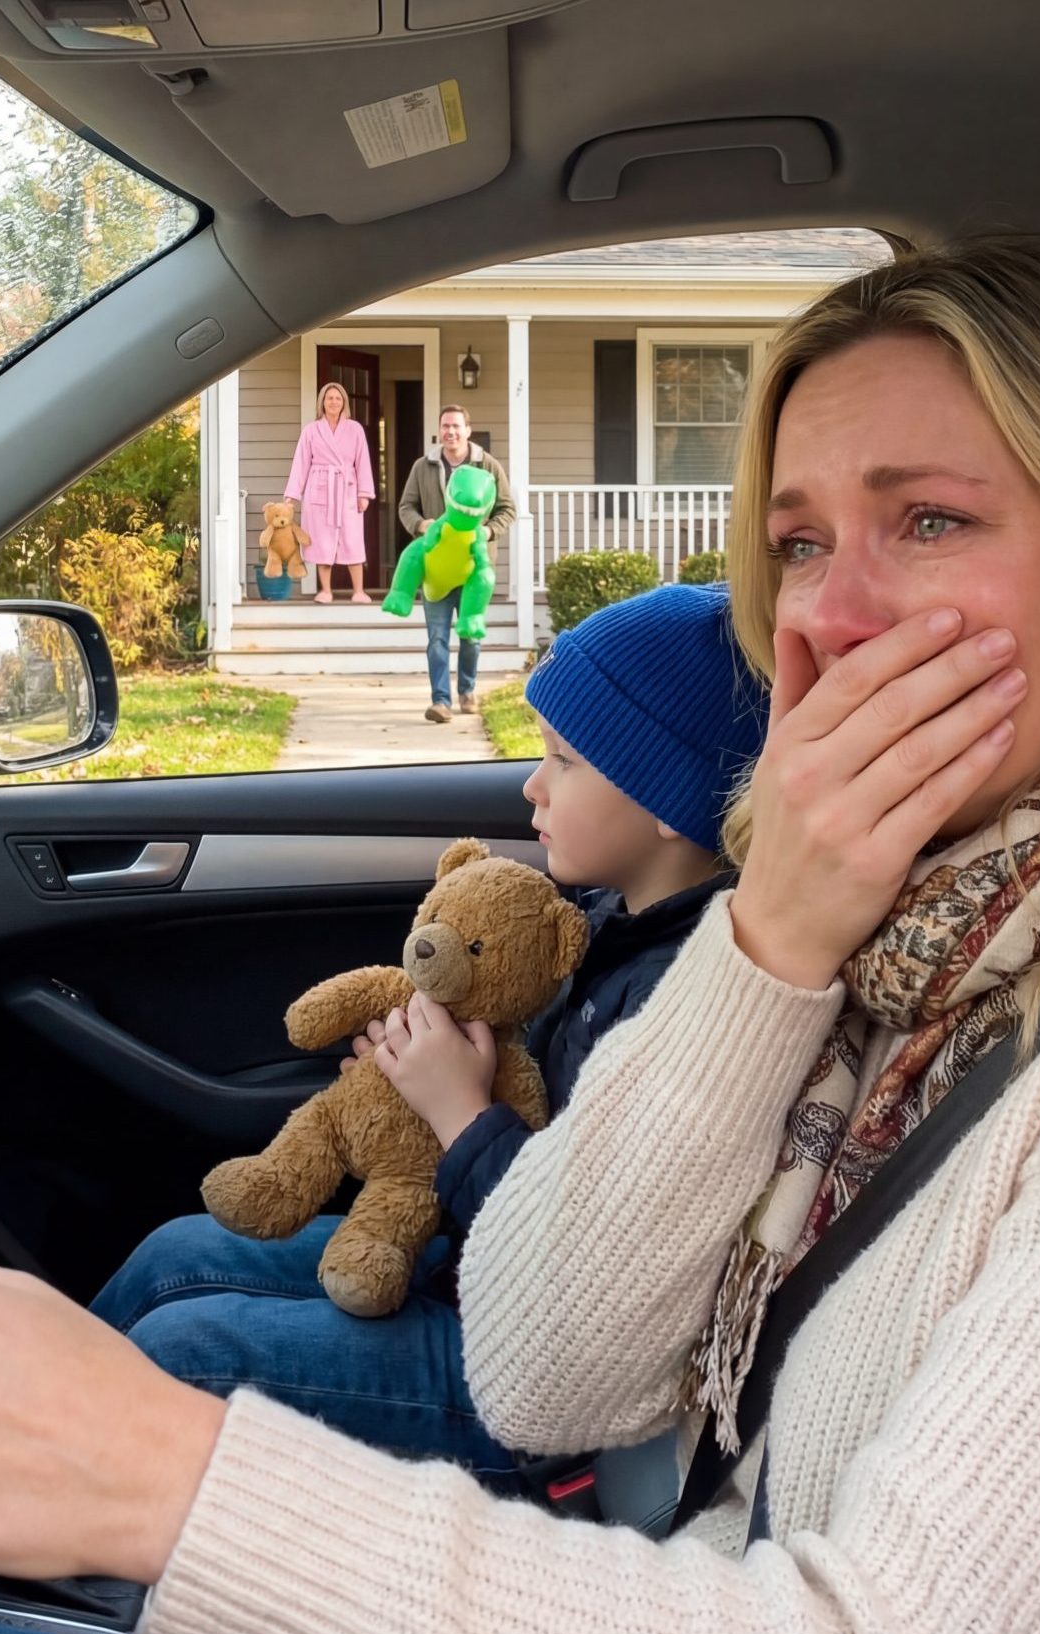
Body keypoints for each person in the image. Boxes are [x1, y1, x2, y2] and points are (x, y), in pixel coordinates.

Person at [0, 237, 1040, 1634]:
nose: (825, 618)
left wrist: (158, 1473)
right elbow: (538, 1370)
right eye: (792, 543)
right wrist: (767, 940)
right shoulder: (904, 954)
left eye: (925, 520)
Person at [90, 582, 766, 1489]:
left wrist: (456, 1110)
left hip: (524, 1382)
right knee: (177, 1252)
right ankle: (9, 1439)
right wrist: (424, 1069)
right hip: (465, 1265)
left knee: (187, 1345)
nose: (530, 783)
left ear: (664, 800)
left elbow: (584, 1265)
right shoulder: (609, 920)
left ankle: (48, 1534)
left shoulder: (682, 998)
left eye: (561, 761)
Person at [397, 403, 515, 721]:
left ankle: (467, 690)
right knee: (437, 638)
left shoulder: (488, 466)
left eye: (456, 426)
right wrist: (422, 526)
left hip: (474, 570)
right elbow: (406, 506)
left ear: (468, 430)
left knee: (471, 637)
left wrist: (488, 531)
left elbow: (508, 509)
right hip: (435, 568)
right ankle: (440, 701)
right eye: (445, 426)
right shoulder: (424, 467)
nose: (450, 431)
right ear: (440, 430)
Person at [282, 381, 375, 604]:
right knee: (322, 540)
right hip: (320, 488)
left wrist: (364, 493)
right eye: (329, 398)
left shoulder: (355, 429)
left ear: (344, 403)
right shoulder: (311, 430)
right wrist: (292, 495)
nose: (334, 402)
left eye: (338, 398)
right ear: (322, 402)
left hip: (348, 489)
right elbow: (301, 462)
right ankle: (325, 590)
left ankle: (359, 591)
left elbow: (362, 462)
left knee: (352, 539)